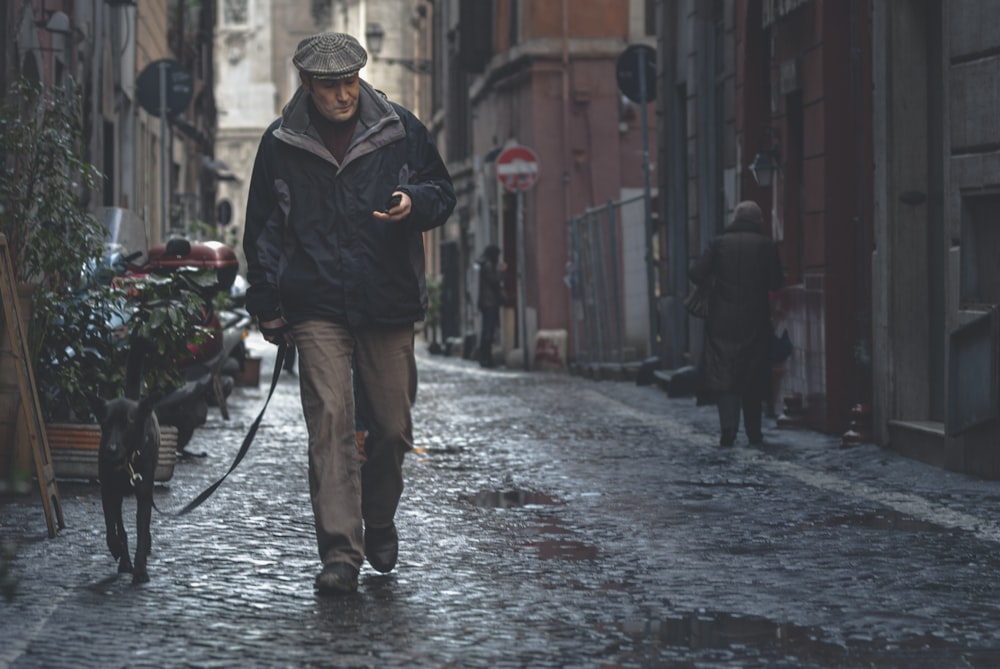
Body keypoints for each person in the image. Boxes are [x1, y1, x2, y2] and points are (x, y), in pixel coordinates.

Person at [242, 32, 456, 595]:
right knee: (330, 425)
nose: (343, 95)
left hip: (386, 301)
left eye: (350, 82)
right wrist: (267, 306)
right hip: (315, 307)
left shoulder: (400, 129)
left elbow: (442, 190)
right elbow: (262, 231)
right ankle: (340, 553)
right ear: (307, 84)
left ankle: (379, 518)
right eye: (330, 85)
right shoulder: (280, 143)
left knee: (391, 428)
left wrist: (416, 205)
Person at [688, 200, 783, 447]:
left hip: (722, 320)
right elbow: (776, 281)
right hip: (755, 319)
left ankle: (728, 430)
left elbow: (696, 273)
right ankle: (754, 433)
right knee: (752, 374)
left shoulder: (718, 244)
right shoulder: (766, 246)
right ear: (758, 222)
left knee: (725, 375)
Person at [476, 244, 504, 368]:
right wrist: (502, 271)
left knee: (487, 330)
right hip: (490, 302)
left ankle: (485, 358)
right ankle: (486, 358)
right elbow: (495, 281)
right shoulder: (488, 265)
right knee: (488, 331)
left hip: (486, 302)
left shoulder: (484, 264)